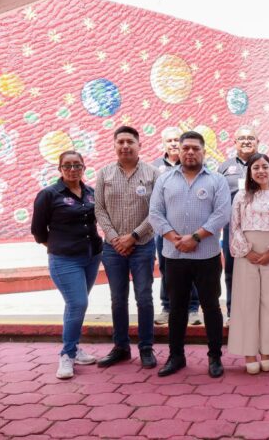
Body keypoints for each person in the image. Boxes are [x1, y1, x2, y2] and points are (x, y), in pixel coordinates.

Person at [149, 131, 231, 378]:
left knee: (211, 307)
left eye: (196, 148)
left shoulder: (217, 180)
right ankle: (176, 356)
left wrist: (194, 238)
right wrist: (176, 239)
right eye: (186, 148)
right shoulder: (165, 180)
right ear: (179, 150)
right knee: (177, 308)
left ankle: (215, 357)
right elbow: (155, 213)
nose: (190, 152)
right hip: (174, 256)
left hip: (206, 256)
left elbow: (222, 214)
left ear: (204, 152)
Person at [31, 151, 103, 379]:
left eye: (77, 165)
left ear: (84, 168)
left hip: (92, 256)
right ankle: (67, 354)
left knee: (75, 305)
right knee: (78, 303)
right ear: (60, 169)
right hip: (65, 259)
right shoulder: (49, 195)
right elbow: (38, 231)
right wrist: (59, 246)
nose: (73, 169)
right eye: (67, 165)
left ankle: (74, 347)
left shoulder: (91, 193)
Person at [95, 126, 160, 370]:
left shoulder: (153, 173)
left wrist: (132, 237)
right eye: (120, 142)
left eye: (130, 141)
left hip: (142, 245)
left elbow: (157, 211)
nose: (125, 146)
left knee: (144, 297)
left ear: (139, 145)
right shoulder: (105, 173)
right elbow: (99, 209)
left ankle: (146, 347)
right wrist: (115, 239)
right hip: (113, 249)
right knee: (117, 299)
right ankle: (121, 347)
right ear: (114, 145)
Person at [227, 154, 269, 374]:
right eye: (256, 167)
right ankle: (249, 352)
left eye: (265, 167)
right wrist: (247, 251)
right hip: (246, 254)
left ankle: (266, 351)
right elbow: (235, 227)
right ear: (249, 172)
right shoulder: (241, 196)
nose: (261, 171)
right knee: (248, 303)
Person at [219, 126, 269, 327]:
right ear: (235, 142)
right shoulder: (224, 167)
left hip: (265, 230)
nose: (246, 141)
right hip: (235, 229)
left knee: (264, 272)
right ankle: (234, 313)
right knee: (233, 271)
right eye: (242, 138)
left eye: (250, 138)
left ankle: (263, 315)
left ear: (258, 142)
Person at [152, 127, 201, 326]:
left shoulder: (193, 164)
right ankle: (167, 307)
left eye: (176, 140)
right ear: (163, 144)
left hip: (191, 230)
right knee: (166, 268)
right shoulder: (155, 168)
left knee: (193, 268)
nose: (173, 144)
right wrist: (168, 232)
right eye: (169, 140)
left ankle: (193, 308)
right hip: (164, 231)